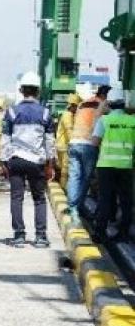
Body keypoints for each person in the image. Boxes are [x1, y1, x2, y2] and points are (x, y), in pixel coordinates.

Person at [0, 71, 55, 248]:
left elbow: (5, 139)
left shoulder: (11, 112)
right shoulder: (46, 113)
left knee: (17, 198)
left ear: (22, 90)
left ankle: (19, 236)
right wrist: (50, 164)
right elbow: (50, 142)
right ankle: (40, 237)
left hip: (15, 160)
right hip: (36, 162)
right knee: (39, 199)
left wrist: (3, 162)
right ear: (38, 91)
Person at [91, 96, 135, 242]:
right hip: (126, 166)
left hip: (106, 165)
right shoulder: (132, 121)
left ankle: (100, 233)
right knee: (126, 201)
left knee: (105, 199)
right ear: (124, 106)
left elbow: (95, 142)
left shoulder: (104, 120)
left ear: (110, 105)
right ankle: (123, 233)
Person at [67, 84, 112, 222]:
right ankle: (76, 208)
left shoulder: (82, 104)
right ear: (105, 96)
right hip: (88, 144)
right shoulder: (102, 106)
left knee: (74, 176)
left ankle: (73, 207)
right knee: (86, 178)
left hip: (74, 142)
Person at [55, 93, 81, 188]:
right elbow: (69, 131)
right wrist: (75, 144)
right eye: (77, 107)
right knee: (65, 171)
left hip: (64, 146)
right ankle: (64, 189)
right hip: (65, 146)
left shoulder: (69, 115)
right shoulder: (67, 115)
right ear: (73, 105)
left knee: (64, 170)